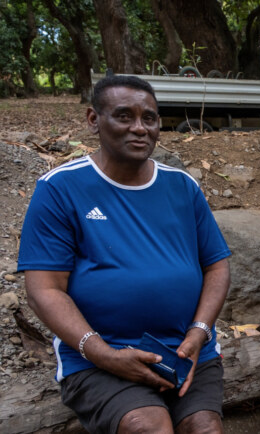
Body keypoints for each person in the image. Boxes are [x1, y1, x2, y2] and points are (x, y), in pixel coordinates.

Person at [17, 75, 231, 434]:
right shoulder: (60, 189)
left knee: (205, 428)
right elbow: (44, 290)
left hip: (184, 352)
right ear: (93, 120)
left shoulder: (181, 186)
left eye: (149, 118)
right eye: (124, 116)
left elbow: (216, 265)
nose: (139, 128)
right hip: (99, 357)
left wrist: (199, 332)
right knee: (147, 426)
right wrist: (103, 354)